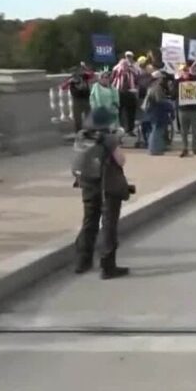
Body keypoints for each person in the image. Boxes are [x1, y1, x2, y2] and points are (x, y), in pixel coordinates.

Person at [71, 107, 130, 279]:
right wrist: (116, 140)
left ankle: (82, 261)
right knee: (109, 224)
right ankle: (108, 266)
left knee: (89, 220)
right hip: (107, 185)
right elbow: (121, 160)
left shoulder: (81, 135)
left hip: (87, 183)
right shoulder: (108, 138)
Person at [112, 51, 140, 136]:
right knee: (119, 111)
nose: (128, 58)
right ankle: (119, 129)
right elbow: (112, 78)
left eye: (130, 57)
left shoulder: (135, 68)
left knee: (131, 112)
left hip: (130, 91)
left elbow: (138, 77)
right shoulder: (117, 67)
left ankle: (129, 130)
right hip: (119, 91)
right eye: (127, 57)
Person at [176, 66, 196, 158]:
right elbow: (173, 94)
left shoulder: (195, 80)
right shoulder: (178, 82)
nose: (185, 72)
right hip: (182, 110)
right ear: (181, 72)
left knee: (195, 131)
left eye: (186, 70)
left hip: (194, 110)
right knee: (184, 131)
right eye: (183, 71)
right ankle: (184, 149)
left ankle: (195, 150)